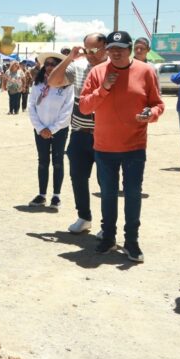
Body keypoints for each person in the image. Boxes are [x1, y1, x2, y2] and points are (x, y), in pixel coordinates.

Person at [79, 30, 164, 263]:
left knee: (133, 194)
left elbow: (157, 104)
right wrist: (104, 88)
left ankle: (131, 241)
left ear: (130, 50)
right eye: (112, 49)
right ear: (106, 51)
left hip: (134, 146)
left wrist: (150, 114)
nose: (116, 53)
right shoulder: (98, 72)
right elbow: (85, 107)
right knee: (107, 195)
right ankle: (108, 237)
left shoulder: (146, 71)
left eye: (121, 49)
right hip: (104, 147)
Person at [48, 32, 109, 234]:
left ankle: (108, 225)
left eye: (95, 50)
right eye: (87, 50)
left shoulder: (113, 68)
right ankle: (84, 217)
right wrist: (69, 58)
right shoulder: (79, 66)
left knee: (106, 181)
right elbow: (53, 81)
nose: (90, 54)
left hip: (105, 134)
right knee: (78, 177)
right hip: (79, 133)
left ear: (105, 48)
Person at [28, 53, 74, 207]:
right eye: (47, 64)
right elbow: (31, 107)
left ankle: (56, 195)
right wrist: (40, 128)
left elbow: (67, 110)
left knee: (58, 162)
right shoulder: (38, 84)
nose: (49, 67)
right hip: (40, 129)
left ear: (61, 66)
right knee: (43, 162)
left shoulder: (67, 86)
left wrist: (52, 129)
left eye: (53, 64)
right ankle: (42, 194)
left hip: (59, 130)